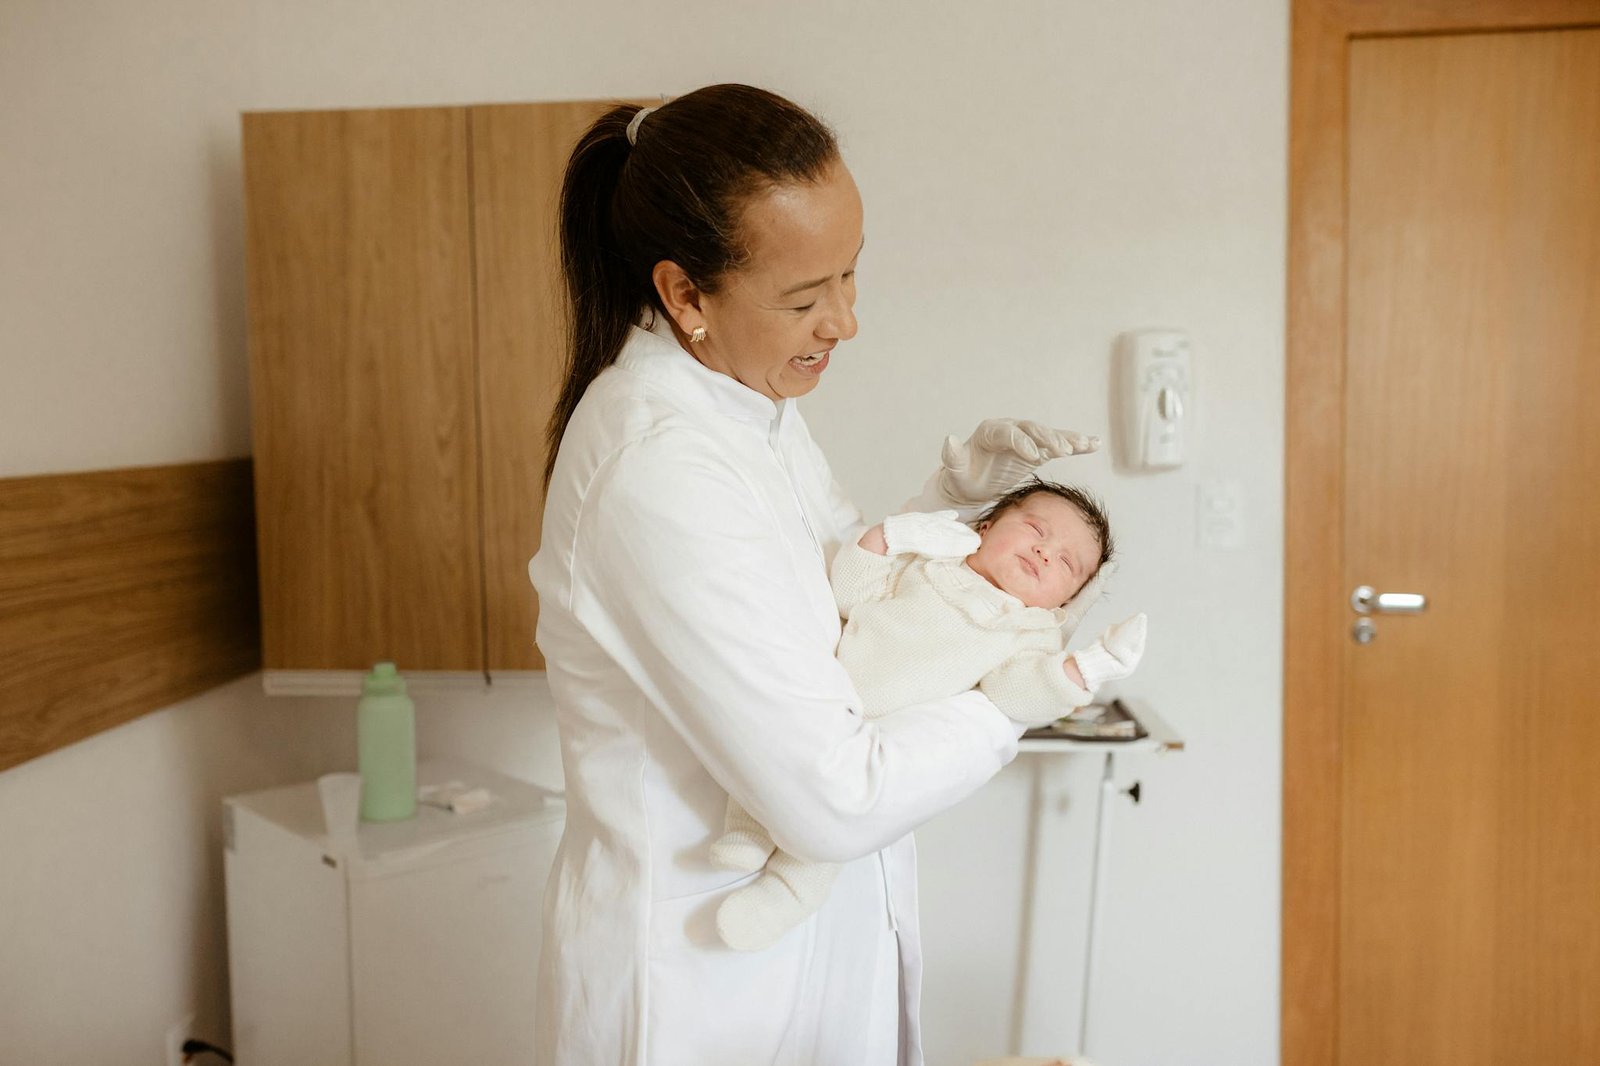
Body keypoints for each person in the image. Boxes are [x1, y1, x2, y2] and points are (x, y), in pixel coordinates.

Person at [529, 84, 1103, 1066]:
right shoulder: (655, 466)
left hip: (802, 957)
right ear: (685, 295)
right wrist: (1019, 696)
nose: (844, 321)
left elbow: (841, 596)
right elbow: (829, 797)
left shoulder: (749, 406)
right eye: (804, 298)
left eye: (849, 276)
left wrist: (958, 509)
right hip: (703, 985)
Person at [711, 479, 1147, 951]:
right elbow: (849, 591)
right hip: (829, 692)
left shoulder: (1031, 631)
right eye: (1036, 529)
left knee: (830, 827)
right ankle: (748, 828)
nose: (1045, 553)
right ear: (986, 525)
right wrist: (891, 538)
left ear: (1066, 601)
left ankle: (787, 894)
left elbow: (1015, 693)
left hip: (885, 738)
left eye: (1066, 563)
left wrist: (1083, 669)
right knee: (772, 746)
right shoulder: (927, 563)